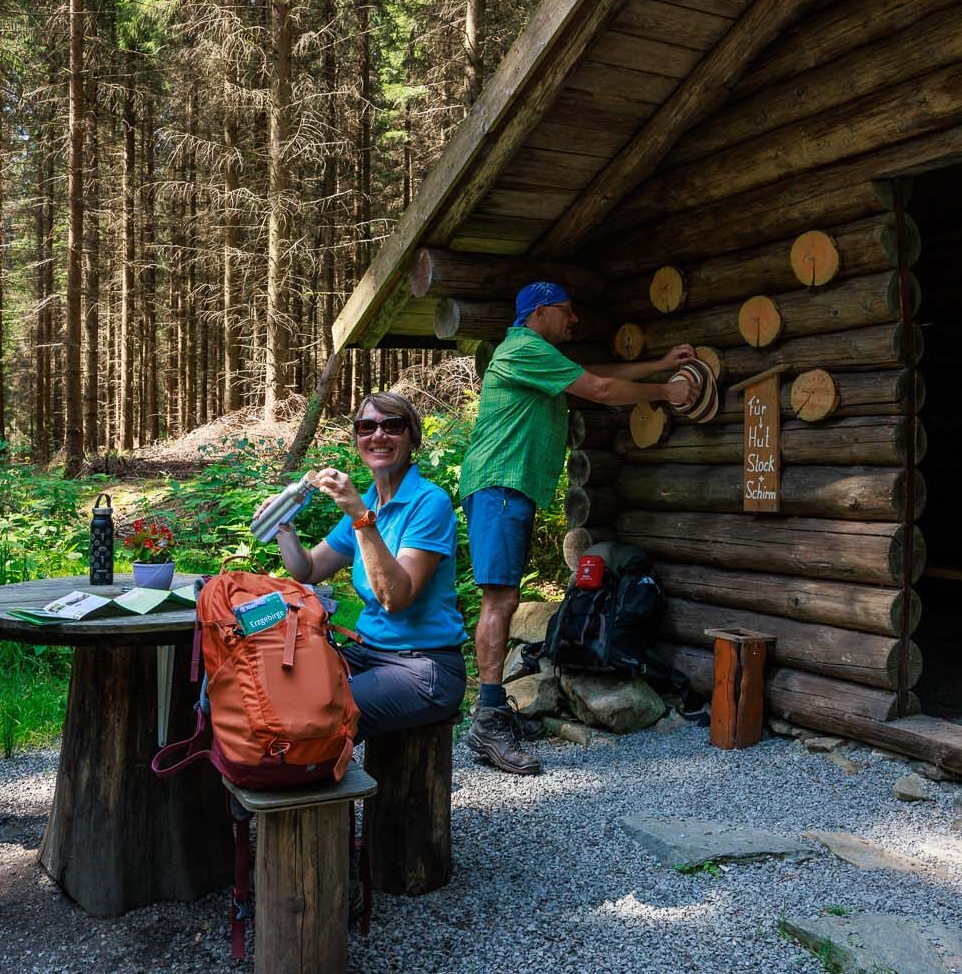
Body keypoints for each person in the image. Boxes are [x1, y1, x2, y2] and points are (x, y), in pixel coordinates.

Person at [458, 280, 699, 774]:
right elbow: (601, 389)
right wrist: (667, 392)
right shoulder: (523, 348)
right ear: (541, 311)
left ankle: (491, 709)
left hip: (507, 487)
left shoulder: (537, 354)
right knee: (499, 599)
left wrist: (658, 365)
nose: (574, 320)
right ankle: (486, 720)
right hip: (500, 485)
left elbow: (591, 375)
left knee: (501, 596)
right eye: (567, 311)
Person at [275, 392, 468, 738]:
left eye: (392, 426)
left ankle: (326, 787)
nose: (378, 436)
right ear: (357, 439)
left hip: (424, 667)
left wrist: (360, 518)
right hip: (367, 654)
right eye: (367, 427)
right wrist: (282, 523)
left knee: (311, 712)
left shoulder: (429, 503)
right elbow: (308, 570)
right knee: (270, 684)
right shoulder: (369, 501)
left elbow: (396, 598)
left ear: (412, 438)